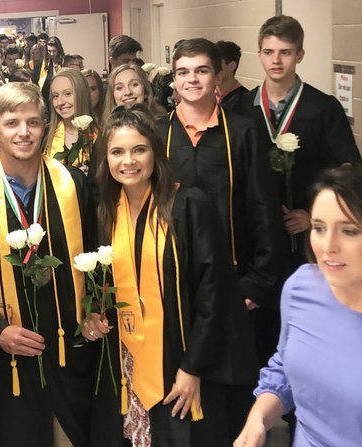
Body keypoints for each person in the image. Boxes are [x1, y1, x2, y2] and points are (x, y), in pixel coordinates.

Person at [88, 103, 250, 446]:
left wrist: (194, 368)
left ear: (155, 152)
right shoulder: (105, 213)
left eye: (139, 150)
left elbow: (214, 295)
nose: (128, 161)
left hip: (181, 356)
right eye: (117, 151)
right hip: (127, 361)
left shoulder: (188, 205)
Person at [0, 82, 94, 447]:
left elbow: (95, 256)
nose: (24, 132)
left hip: (66, 347)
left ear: (45, 126)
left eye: (33, 122)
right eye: (13, 123)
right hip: (3, 359)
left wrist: (94, 311)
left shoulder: (74, 185)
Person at [157, 38, 285, 442]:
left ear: (217, 76)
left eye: (201, 70)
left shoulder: (244, 133)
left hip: (232, 288)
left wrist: (256, 285)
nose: (191, 79)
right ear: (173, 79)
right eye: (183, 72)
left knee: (227, 406)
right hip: (169, 289)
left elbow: (264, 211)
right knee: (176, 400)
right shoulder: (156, 134)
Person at [234, 166, 362, 447]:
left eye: (349, 231)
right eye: (319, 228)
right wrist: (258, 418)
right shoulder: (301, 286)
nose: (327, 246)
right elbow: (286, 366)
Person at [236, 15, 362, 269]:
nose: (276, 60)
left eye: (285, 52)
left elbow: (349, 172)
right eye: (269, 51)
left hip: (305, 235)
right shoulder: (240, 108)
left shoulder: (324, 108)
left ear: (300, 55)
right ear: (258, 54)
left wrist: (315, 215)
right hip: (254, 235)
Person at [44, 68, 99, 172]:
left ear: (82, 95)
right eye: (55, 96)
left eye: (68, 94)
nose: (60, 102)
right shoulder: (44, 135)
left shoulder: (101, 137)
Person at [215, 41, 249, 112]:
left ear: (232, 66)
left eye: (217, 63)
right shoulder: (206, 93)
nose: (212, 67)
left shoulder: (246, 100)